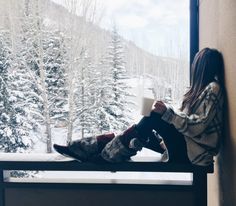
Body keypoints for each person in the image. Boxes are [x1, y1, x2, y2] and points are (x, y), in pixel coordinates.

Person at [54, 48, 225, 166]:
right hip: (187, 149)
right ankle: (92, 149)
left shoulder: (213, 89)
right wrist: (166, 114)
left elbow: (198, 126)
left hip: (194, 155)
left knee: (152, 118)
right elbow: (189, 124)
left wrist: (167, 114)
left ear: (201, 67)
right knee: (138, 130)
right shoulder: (201, 90)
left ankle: (94, 151)